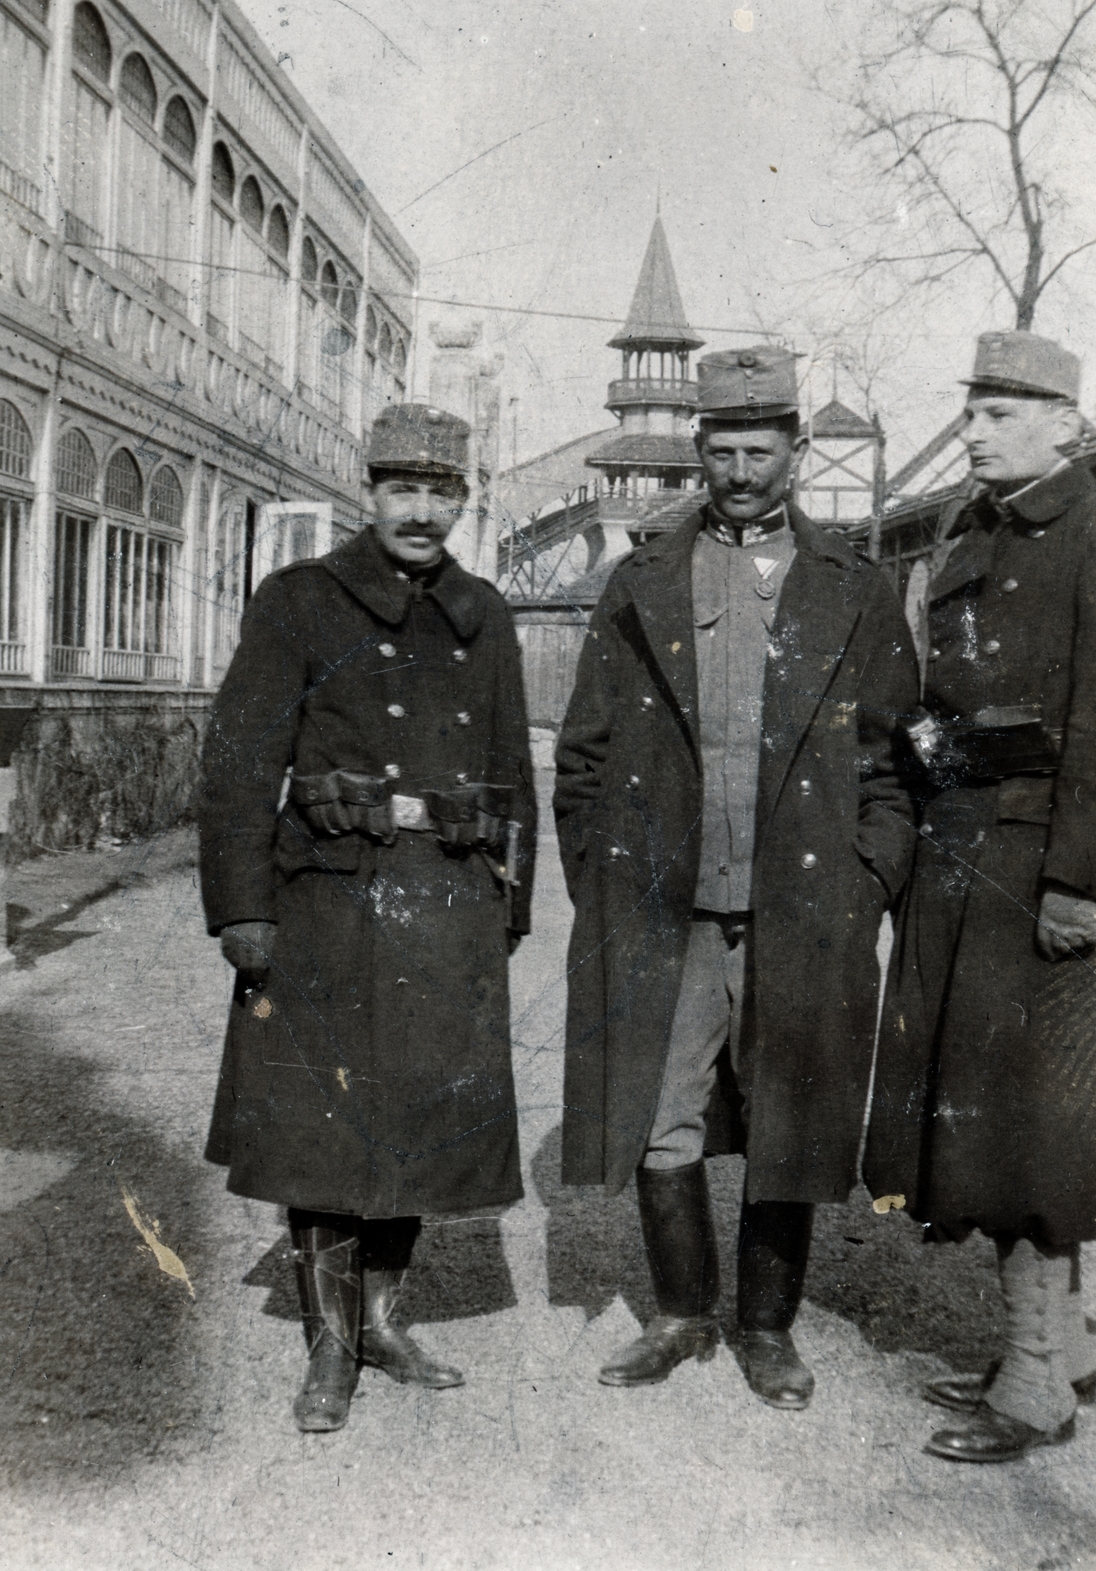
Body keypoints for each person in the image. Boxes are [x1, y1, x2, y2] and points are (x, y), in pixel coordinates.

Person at [553, 346, 917, 1407]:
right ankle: (680, 1312)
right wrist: (604, 880)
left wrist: (867, 883)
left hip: (804, 909)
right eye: (723, 449)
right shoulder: (642, 580)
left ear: (797, 451)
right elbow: (584, 753)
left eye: (762, 449)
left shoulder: (854, 588)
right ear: (699, 453)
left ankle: (765, 1327)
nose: (742, 470)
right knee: (661, 1111)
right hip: (671, 910)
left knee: (789, 1109)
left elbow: (896, 757)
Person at [199, 404, 536, 1433]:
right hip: (327, 904)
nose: (422, 511)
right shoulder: (299, 601)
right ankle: (330, 1347)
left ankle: (384, 1318)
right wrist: (243, 910)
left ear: (464, 499)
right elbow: (239, 763)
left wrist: (508, 905)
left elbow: (511, 774)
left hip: (445, 901)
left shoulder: (485, 613)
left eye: (442, 491)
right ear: (368, 491)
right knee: (323, 1129)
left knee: (423, 1119)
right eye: (403, 488)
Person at [864, 332, 1096, 1463]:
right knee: (1001, 1129)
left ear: (1064, 424)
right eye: (973, 410)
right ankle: (1059, 1347)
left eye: (1000, 411)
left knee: (1033, 1140)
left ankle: (1038, 1380)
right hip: (967, 864)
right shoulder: (971, 533)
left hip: (1043, 878)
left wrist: (1082, 883)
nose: (975, 428)